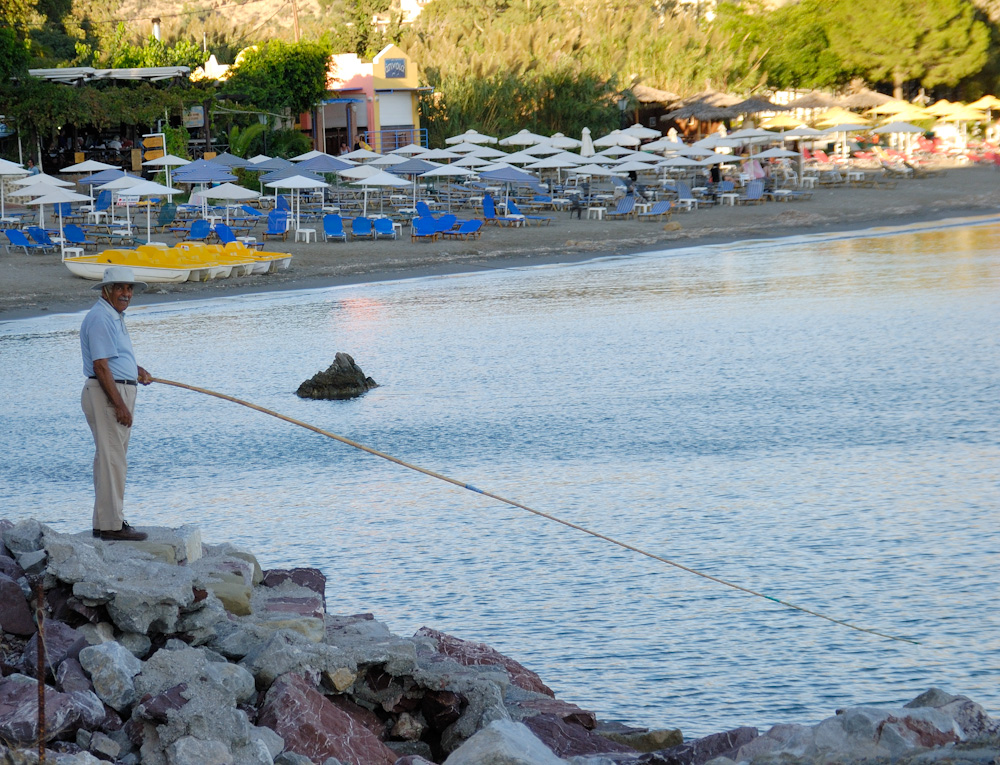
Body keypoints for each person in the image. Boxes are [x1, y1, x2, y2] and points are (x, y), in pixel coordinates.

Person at [80, 266, 153, 541]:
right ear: (106, 291)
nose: (126, 293)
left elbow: (113, 359)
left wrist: (136, 370)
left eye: (129, 288)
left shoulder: (113, 316)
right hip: (107, 394)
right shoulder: (101, 317)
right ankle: (112, 525)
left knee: (107, 459)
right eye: (120, 288)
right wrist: (120, 405)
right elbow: (100, 366)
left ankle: (103, 522)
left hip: (114, 390)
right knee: (113, 461)